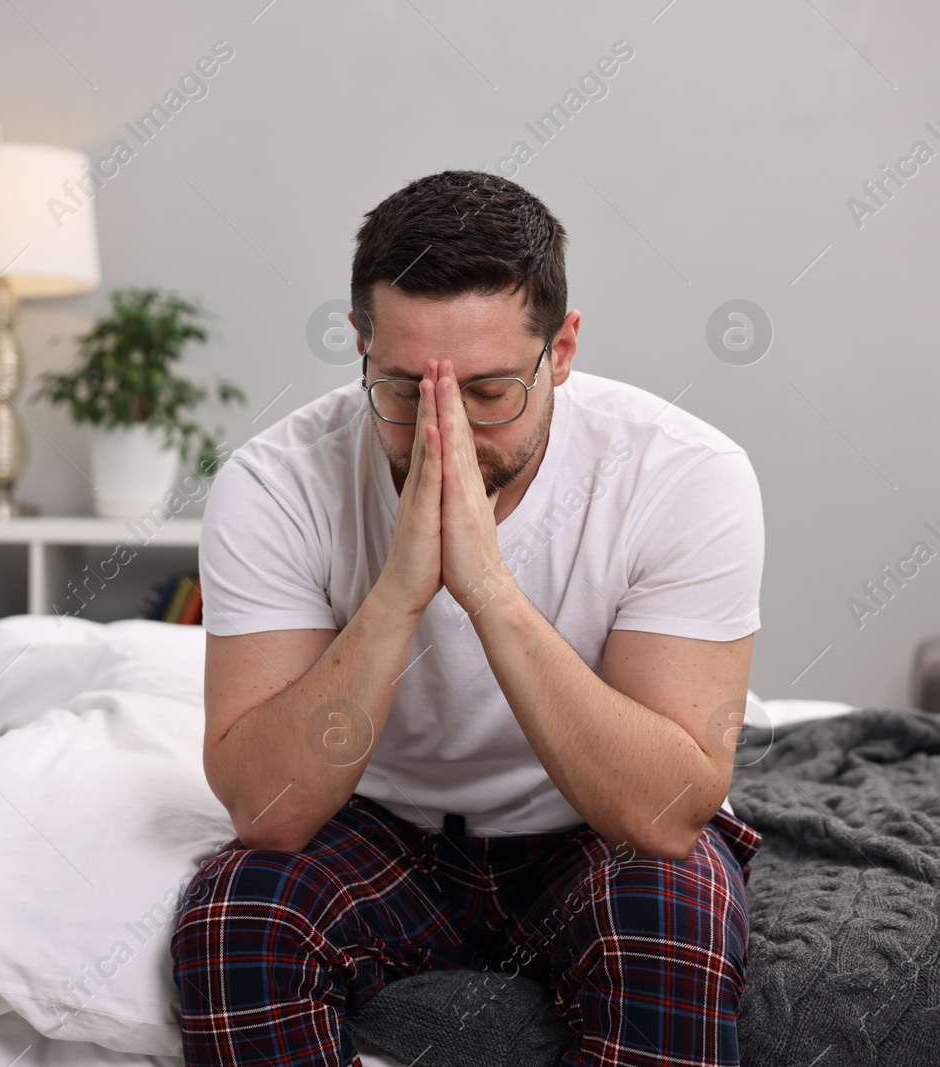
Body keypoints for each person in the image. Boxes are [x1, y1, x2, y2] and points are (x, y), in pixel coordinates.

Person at [170, 170, 764, 1067]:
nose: (445, 431)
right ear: (358, 346)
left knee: (672, 909)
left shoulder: (684, 474)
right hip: (377, 825)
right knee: (231, 920)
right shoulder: (274, 481)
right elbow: (269, 807)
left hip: (583, 826)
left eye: (489, 393)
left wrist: (487, 589)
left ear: (561, 351)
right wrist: (399, 593)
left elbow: (671, 808)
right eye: (404, 390)